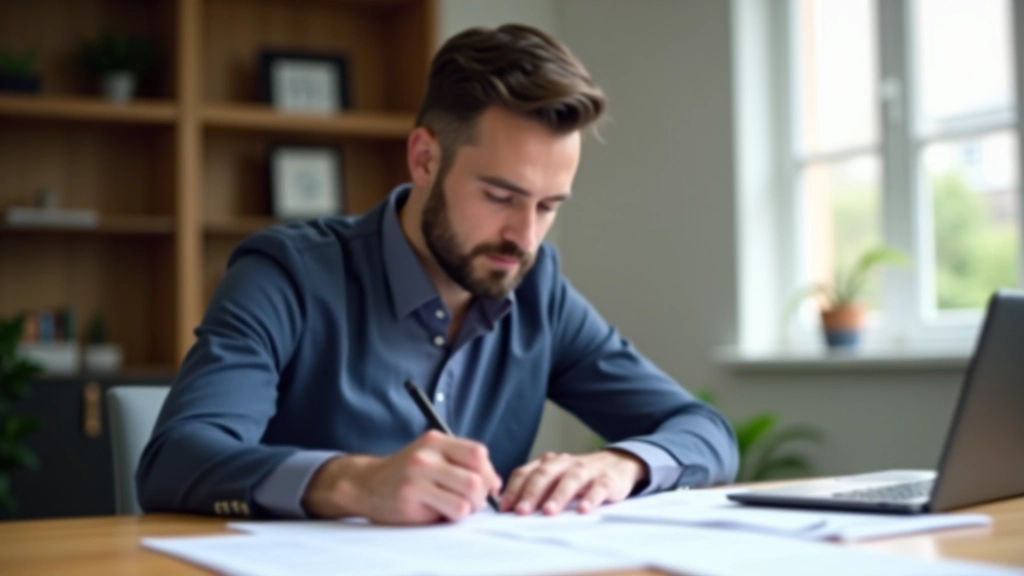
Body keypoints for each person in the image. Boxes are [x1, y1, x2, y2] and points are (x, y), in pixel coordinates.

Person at [137, 23, 738, 525]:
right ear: (425, 158)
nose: (525, 237)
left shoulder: (538, 289)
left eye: (550, 206)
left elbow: (704, 430)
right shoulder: (286, 274)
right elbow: (174, 462)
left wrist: (619, 465)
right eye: (501, 196)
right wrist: (353, 482)